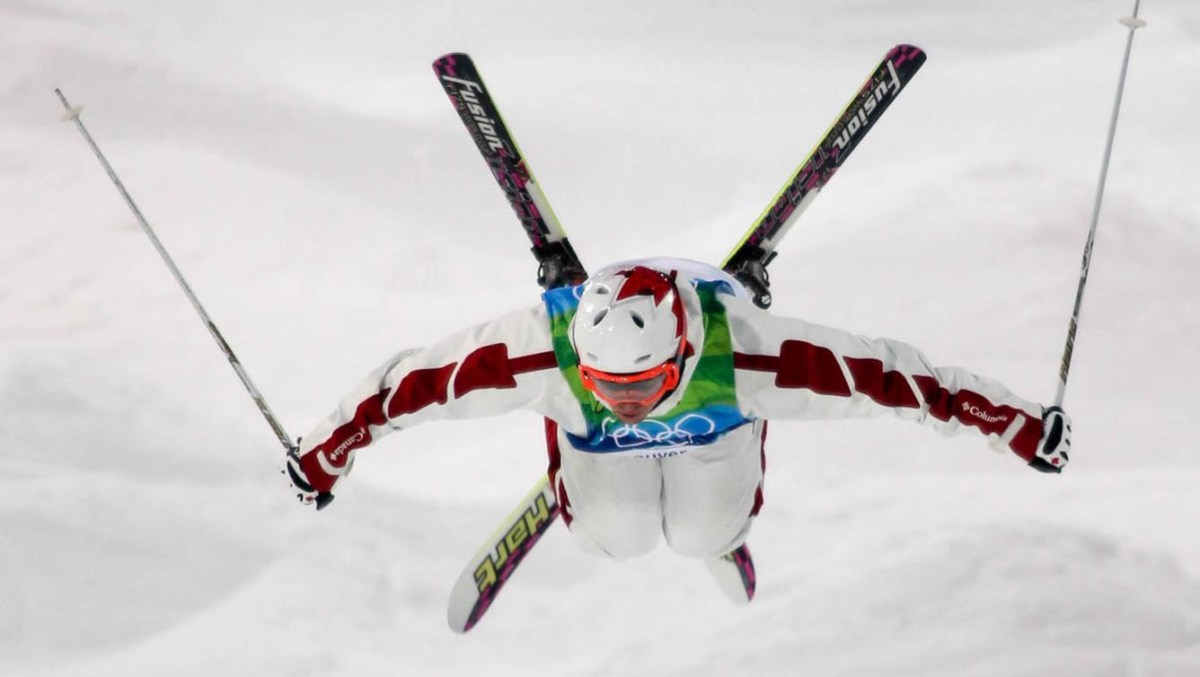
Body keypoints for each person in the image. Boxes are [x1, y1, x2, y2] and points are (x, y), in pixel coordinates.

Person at [285, 257, 1071, 561]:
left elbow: (901, 381)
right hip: (596, 447)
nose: (622, 401)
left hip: (717, 425)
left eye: (637, 386)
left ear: (684, 351)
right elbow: (408, 386)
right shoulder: (539, 350)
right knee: (617, 542)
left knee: (704, 539)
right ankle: (571, 467)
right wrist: (327, 450)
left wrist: (1017, 425)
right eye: (604, 383)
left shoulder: (753, 352)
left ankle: (719, 509)